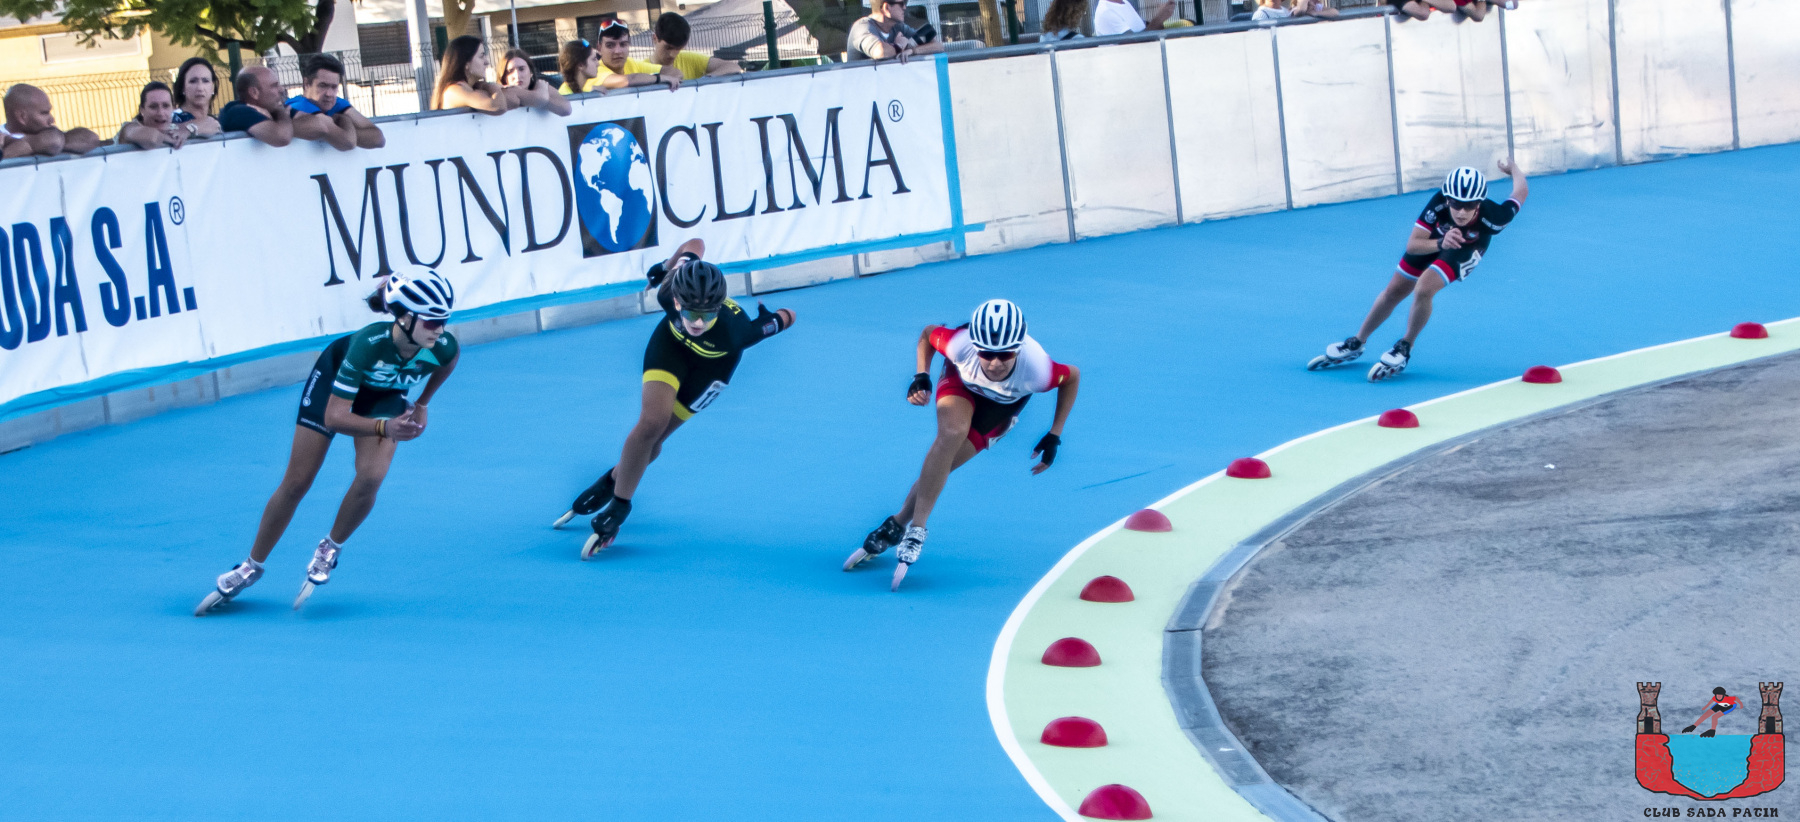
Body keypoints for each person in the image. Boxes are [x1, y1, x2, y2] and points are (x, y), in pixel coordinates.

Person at [195, 270, 460, 615]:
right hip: (333, 388)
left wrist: (422, 403)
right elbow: (334, 417)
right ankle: (250, 566)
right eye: (432, 321)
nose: (440, 329)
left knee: (372, 477)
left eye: (444, 320)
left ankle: (330, 548)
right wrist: (385, 428)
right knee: (297, 482)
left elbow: (449, 361)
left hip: (382, 394)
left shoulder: (442, 346)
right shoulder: (368, 345)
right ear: (405, 317)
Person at [553, 241, 796, 558]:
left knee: (655, 441)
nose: (698, 323)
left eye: (707, 315)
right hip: (670, 347)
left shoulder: (737, 332)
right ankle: (619, 506)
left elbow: (788, 317)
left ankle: (613, 479)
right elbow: (696, 244)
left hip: (712, 369)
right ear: (677, 301)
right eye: (691, 313)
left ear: (718, 307)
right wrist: (665, 266)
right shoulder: (668, 291)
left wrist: (771, 316)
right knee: (650, 424)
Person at [846, 300, 1080, 591]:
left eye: (1005, 354)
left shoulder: (1039, 370)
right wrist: (921, 375)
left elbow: (1072, 377)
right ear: (975, 346)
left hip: (1000, 407)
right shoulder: (959, 344)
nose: (995, 363)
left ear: (1019, 348)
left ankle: (896, 523)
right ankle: (917, 529)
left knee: (944, 464)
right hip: (961, 382)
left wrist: (1055, 434)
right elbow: (928, 334)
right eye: (987, 353)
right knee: (951, 432)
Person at [1307, 160, 1529, 382]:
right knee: (1394, 291)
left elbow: (1520, 192)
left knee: (1424, 288)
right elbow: (1413, 245)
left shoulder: (1495, 217)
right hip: (1437, 239)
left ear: (1479, 203)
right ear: (1447, 199)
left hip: (1468, 245)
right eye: (1456, 203)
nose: (1462, 212)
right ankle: (1357, 342)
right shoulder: (1438, 204)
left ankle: (1405, 346)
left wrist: (1514, 169)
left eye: (1470, 205)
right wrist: (1441, 243)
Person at [288, 54, 385, 150]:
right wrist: (343, 119)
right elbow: (348, 143)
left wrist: (337, 130)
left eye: (334, 87)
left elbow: (378, 139)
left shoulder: (337, 103)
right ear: (306, 84)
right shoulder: (295, 106)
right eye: (323, 86)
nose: (329, 94)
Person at [1, 84, 102, 159]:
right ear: (22, 117)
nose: (52, 119)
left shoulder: (49, 135)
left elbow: (91, 138)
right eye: (44, 113)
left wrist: (27, 145)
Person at [432, 35, 515, 114]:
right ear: (466, 64)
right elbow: (498, 106)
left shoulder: (471, 87)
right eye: (481, 56)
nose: (487, 62)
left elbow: (514, 100)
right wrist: (490, 85)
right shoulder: (454, 90)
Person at [649, 12, 741, 81]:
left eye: (678, 49)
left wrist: (705, 80)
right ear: (655, 38)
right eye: (668, 48)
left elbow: (732, 67)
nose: (673, 54)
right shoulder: (643, 69)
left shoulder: (688, 59)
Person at [218, 66, 295, 147]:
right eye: (274, 86)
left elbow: (305, 125)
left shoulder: (271, 107)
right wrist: (282, 114)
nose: (281, 89)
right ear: (254, 92)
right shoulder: (238, 112)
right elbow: (282, 138)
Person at [847, 0, 944, 63]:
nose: (905, 7)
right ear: (886, 8)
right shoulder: (861, 27)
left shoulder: (898, 27)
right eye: (902, 3)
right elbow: (881, 52)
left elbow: (938, 46)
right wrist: (899, 46)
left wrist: (912, 51)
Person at [594, 21, 680, 90]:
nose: (617, 51)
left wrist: (656, 78)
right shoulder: (594, 71)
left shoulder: (630, 63)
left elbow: (675, 73)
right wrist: (658, 78)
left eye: (623, 44)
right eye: (610, 45)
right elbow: (627, 81)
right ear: (599, 48)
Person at [115, 82, 190, 151]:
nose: (160, 113)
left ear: (173, 108)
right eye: (153, 106)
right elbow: (152, 138)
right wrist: (173, 140)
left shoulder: (175, 128)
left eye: (165, 106)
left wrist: (188, 131)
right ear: (142, 109)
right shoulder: (129, 128)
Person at [500, 48, 572, 115]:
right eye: (510, 71)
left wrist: (541, 93)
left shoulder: (539, 86)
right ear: (504, 77)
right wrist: (541, 94)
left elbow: (566, 109)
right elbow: (540, 99)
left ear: (531, 72)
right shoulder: (501, 92)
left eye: (521, 69)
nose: (517, 75)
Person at [171, 57, 223, 139]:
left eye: (205, 81)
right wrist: (196, 129)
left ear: (213, 87)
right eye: (193, 81)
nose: (200, 88)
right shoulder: (171, 120)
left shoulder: (216, 122)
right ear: (182, 87)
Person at [1092, 0, 1173, 36]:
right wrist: (1159, 19)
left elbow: (1144, 29)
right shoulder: (1106, 12)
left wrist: (1162, 17)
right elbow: (1134, 43)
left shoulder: (1125, 2)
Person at [1252, 0, 1339, 20]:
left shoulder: (1285, 11)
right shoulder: (1261, 14)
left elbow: (1335, 12)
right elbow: (1300, 10)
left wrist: (1315, 14)